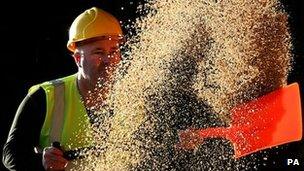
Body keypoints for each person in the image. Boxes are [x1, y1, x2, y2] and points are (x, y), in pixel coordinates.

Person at [2, 7, 124, 171]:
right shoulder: (46, 96)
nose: (108, 60)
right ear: (78, 59)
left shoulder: (132, 97)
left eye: (114, 51)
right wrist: (41, 162)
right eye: (98, 52)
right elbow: (11, 154)